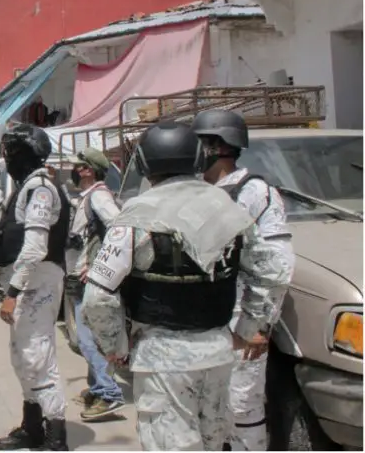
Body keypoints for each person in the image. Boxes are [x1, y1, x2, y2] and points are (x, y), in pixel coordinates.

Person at [80, 122, 287, 450]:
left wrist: (115, 347)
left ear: (145, 165)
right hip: (218, 354)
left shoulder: (136, 217)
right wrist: (247, 328)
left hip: (162, 360)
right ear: (197, 159)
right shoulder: (226, 208)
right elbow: (273, 271)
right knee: (213, 443)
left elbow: (97, 296)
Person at [193, 110, 294, 451]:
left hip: (240, 321)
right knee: (207, 409)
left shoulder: (255, 193)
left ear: (220, 145)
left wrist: (258, 325)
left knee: (241, 409)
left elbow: (276, 265)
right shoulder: (197, 192)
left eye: (200, 142)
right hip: (202, 323)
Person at [0, 124, 71, 451]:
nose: (6, 159)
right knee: (23, 357)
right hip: (29, 282)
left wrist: (12, 293)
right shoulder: (27, 185)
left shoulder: (39, 189)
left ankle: (56, 437)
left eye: (10, 153)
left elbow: (36, 247)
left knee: (38, 357)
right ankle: (32, 428)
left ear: (24, 155)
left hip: (37, 283)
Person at [66, 148, 125, 420]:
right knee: (90, 336)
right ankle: (97, 387)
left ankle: (110, 393)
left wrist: (98, 264)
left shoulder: (99, 196)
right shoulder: (88, 196)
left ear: (88, 170)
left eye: (78, 166)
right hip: (79, 274)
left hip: (89, 277)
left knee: (88, 340)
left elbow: (118, 228)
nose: (74, 171)